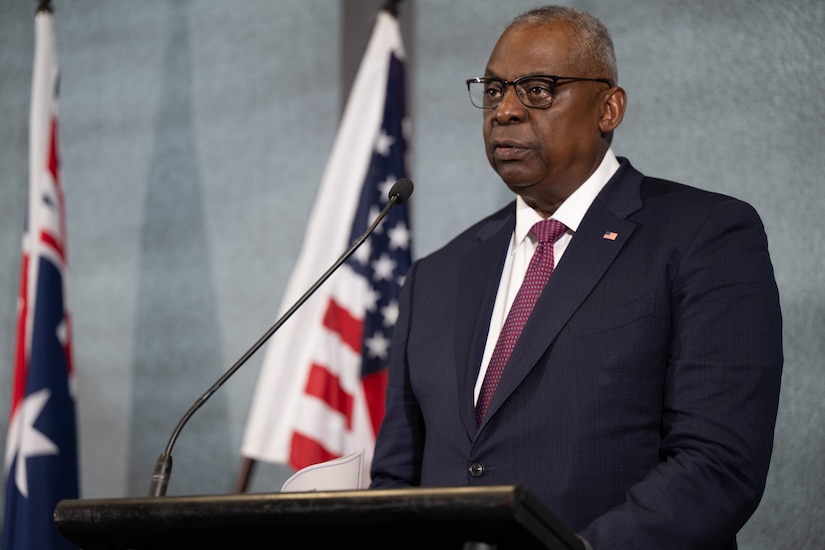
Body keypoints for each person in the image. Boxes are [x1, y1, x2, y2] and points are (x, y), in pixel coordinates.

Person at [368, 5, 783, 549]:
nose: (506, 110)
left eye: (538, 89)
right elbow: (397, 480)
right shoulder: (436, 276)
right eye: (493, 90)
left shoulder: (705, 234)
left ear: (608, 108)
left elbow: (718, 463)